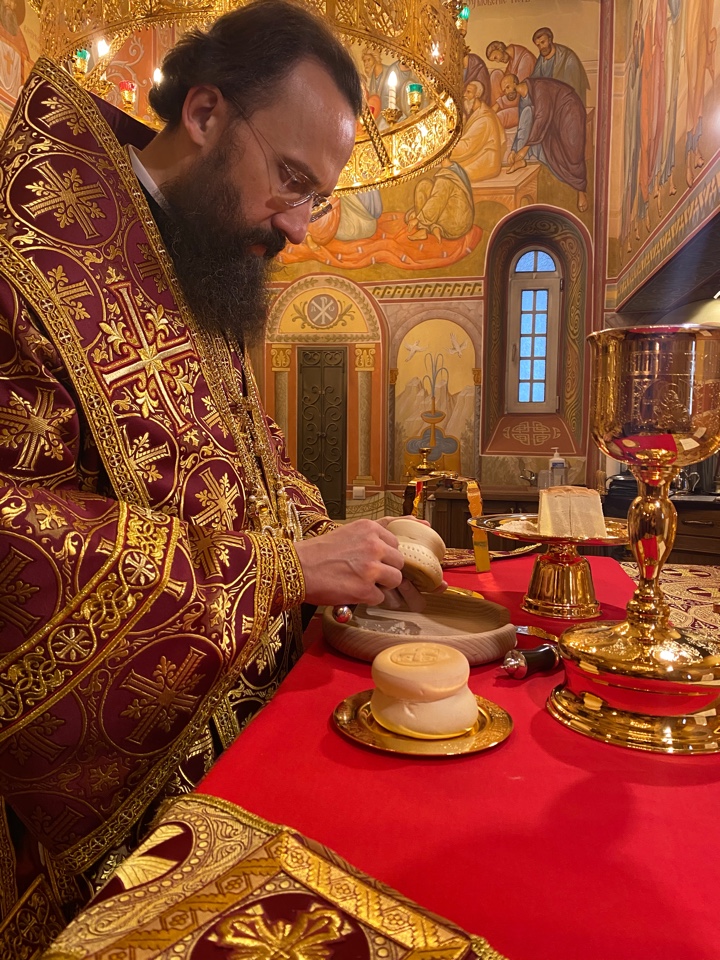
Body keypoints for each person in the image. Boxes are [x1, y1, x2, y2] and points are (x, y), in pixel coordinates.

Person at [0, 0, 434, 950]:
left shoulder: (190, 250)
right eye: (291, 180)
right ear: (203, 114)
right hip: (86, 826)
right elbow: (19, 545)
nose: (301, 227)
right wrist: (277, 571)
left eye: (315, 196)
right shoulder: (28, 254)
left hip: (237, 744)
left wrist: (346, 542)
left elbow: (248, 458)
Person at [501, 73, 588, 212]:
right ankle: (523, 161)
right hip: (554, 118)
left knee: (573, 151)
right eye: (504, 90)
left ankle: (581, 191)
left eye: (507, 87)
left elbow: (542, 117)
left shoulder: (539, 88)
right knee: (552, 150)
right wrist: (514, 150)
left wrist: (524, 149)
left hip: (570, 109)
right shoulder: (523, 100)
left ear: (515, 82)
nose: (506, 92)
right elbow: (523, 126)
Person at [451, 80, 504, 183]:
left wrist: (446, 151)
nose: (464, 95)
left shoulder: (484, 119)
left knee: (449, 174)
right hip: (478, 157)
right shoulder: (477, 113)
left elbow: (468, 146)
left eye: (469, 92)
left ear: (477, 95)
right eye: (465, 91)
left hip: (486, 164)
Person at [530, 26, 590, 104]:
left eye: (543, 42)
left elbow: (573, 89)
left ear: (550, 39)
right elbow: (534, 79)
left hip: (566, 101)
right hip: (548, 101)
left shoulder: (568, 57)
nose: (541, 47)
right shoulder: (542, 57)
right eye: (538, 45)